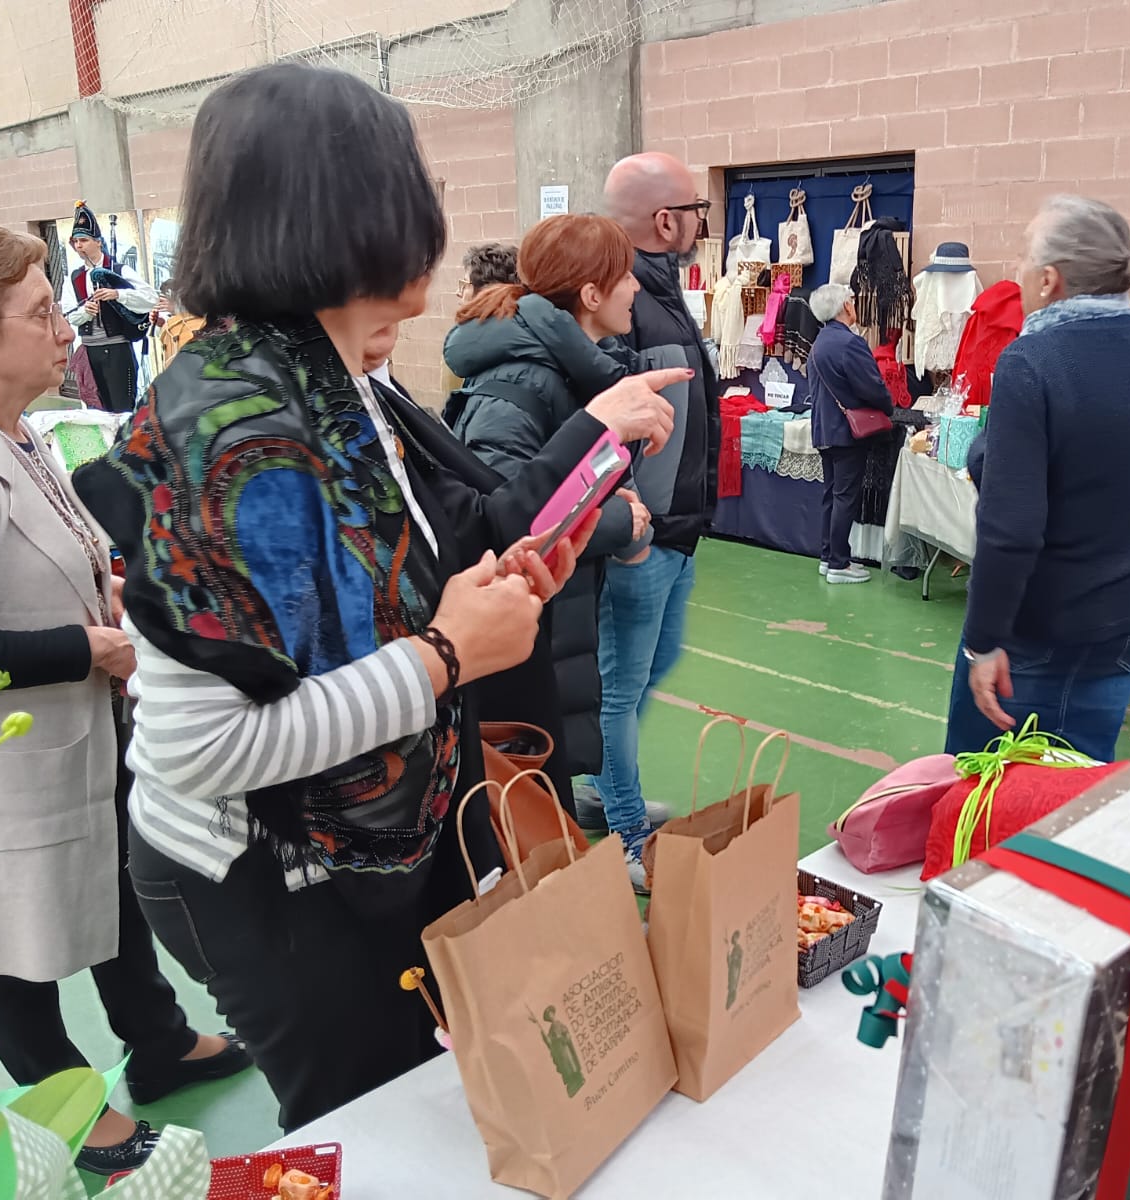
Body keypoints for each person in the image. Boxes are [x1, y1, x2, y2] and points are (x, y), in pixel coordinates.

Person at [72, 62, 689, 1131]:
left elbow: (400, 572)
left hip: (378, 837)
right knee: (369, 1122)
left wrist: (476, 597)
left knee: (427, 1083)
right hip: (267, 869)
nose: (410, 303)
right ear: (313, 238)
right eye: (388, 275)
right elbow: (204, 750)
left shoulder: (333, 381)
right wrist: (447, 657)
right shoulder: (227, 439)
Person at [0, 207, 249, 1177]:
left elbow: (41, 561)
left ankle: (158, 1041)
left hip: (79, 737)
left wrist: (110, 593)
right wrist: (86, 649)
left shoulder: (23, 436)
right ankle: (76, 1113)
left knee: (113, 892)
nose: (63, 329)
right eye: (40, 313)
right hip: (0, 767)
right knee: (15, 945)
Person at [947, 195, 1130, 761]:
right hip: (1122, 625)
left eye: (1021, 256)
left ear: (1048, 279)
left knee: (990, 800)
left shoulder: (1034, 360)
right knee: (1079, 796)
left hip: (1039, 633)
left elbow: (1011, 527)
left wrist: (983, 640)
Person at [442, 214, 658, 795]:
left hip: (554, 627)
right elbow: (500, 517)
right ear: (591, 294)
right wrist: (618, 519)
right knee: (526, 814)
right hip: (517, 650)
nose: (637, 288)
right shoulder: (518, 383)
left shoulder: (564, 376)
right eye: (626, 276)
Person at [594, 152, 720, 887]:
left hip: (676, 533)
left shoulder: (660, 295)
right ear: (666, 220)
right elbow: (597, 427)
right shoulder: (625, 301)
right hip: (644, 540)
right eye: (698, 209)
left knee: (647, 672)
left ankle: (608, 786)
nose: (704, 220)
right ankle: (625, 830)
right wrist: (630, 532)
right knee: (622, 687)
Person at [806, 282, 894, 585]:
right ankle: (839, 565)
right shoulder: (849, 343)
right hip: (846, 433)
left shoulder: (819, 343)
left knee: (832, 495)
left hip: (824, 430)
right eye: (853, 300)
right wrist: (888, 404)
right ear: (846, 306)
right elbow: (872, 387)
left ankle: (829, 556)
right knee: (845, 497)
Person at [60, 203, 157, 411]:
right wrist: (85, 313)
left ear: (98, 242)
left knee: (122, 408)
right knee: (96, 409)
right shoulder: (74, 278)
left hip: (117, 350)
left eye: (84, 240)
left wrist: (118, 294)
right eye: (76, 242)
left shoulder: (119, 270)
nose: (79, 246)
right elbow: (67, 315)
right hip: (90, 351)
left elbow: (150, 298)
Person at [444, 242, 519, 395]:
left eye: (464, 284)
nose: (458, 292)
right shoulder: (521, 335)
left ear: (486, 290)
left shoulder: (470, 349)